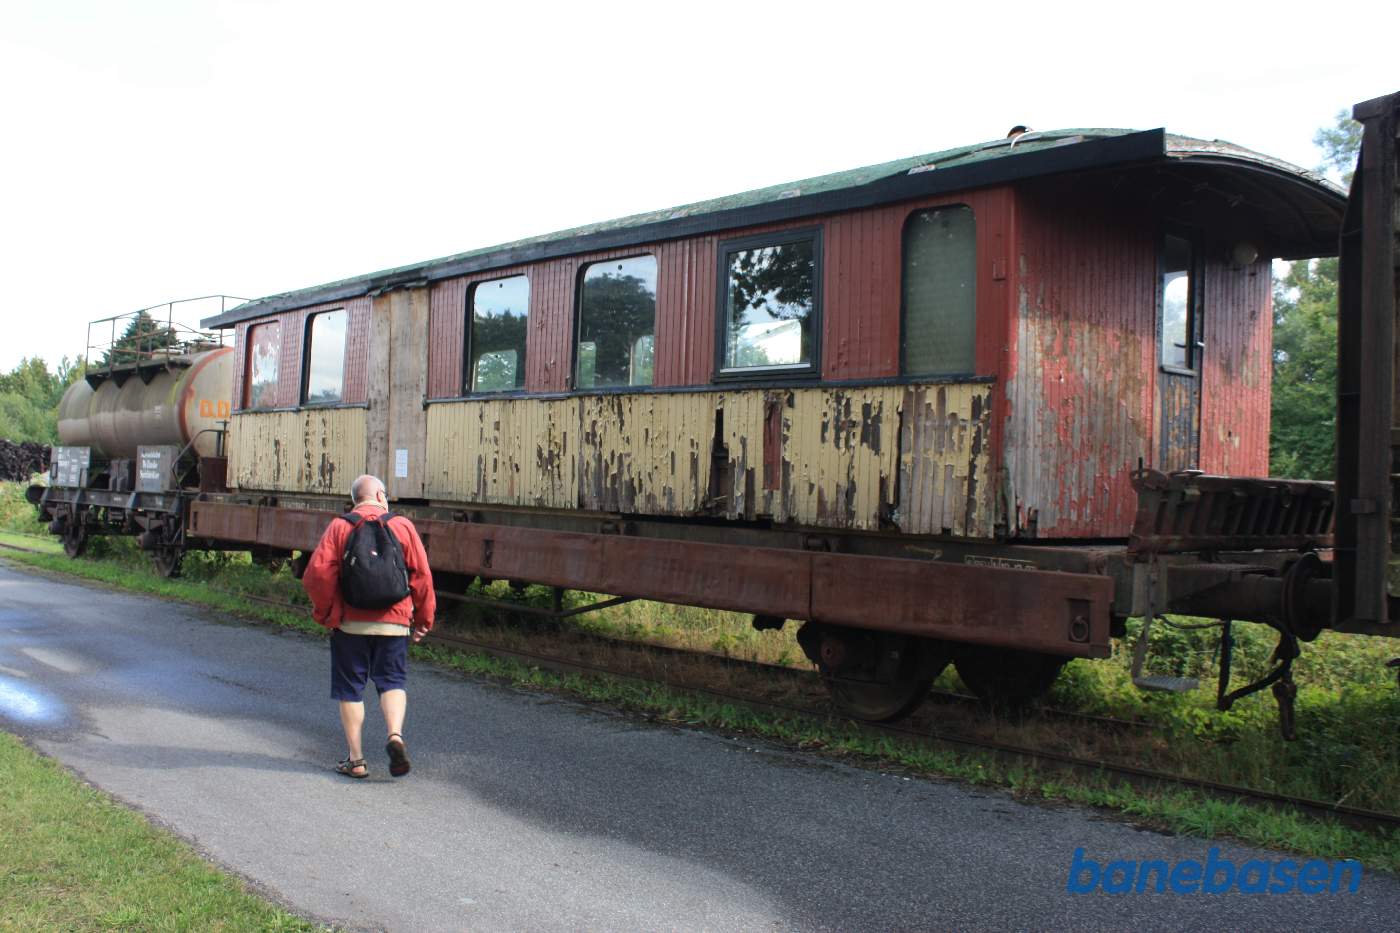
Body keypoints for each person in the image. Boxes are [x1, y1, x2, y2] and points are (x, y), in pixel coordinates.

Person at [303, 474, 435, 779]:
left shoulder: (341, 526)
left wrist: (328, 614)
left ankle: (357, 760)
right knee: (392, 682)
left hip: (351, 625)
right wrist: (424, 620)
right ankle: (395, 736)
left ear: (355, 499)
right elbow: (422, 577)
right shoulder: (402, 526)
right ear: (380, 495)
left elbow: (317, 575)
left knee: (351, 689)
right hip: (395, 623)